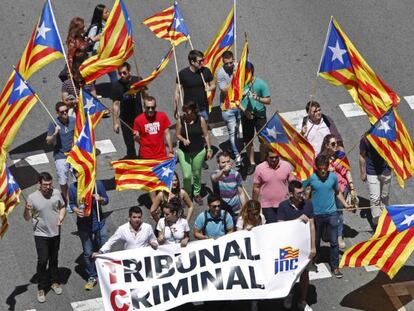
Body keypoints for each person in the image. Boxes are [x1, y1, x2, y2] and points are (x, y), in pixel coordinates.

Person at [302, 154, 351, 278]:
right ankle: (314, 260)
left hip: (332, 214)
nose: (323, 171)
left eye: (325, 168)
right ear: (316, 167)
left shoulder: (333, 177)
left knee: (334, 242)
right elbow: (300, 190)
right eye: (320, 169)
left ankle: (335, 267)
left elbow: (338, 192)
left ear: (328, 167)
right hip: (316, 215)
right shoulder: (311, 178)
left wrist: (345, 204)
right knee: (316, 240)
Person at [23, 172, 66, 303]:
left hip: (55, 232)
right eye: (45, 185)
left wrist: (61, 217)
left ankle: (54, 282)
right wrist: (26, 209)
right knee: (43, 260)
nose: (48, 187)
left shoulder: (56, 193)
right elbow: (26, 218)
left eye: (49, 184)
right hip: (40, 234)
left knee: (54, 258)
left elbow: (62, 206)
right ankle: (41, 287)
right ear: (39, 184)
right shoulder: (32, 198)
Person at [278, 180, 316, 311]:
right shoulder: (283, 206)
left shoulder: (308, 204)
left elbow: (311, 226)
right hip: (289, 247)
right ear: (290, 194)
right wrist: (298, 220)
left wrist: (313, 247)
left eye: (303, 192)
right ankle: (288, 294)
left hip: (304, 247)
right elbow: (280, 227)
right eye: (299, 193)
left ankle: (302, 301)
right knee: (288, 274)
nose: (302, 195)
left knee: (304, 274)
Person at [69, 171, 109, 290]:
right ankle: (92, 275)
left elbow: (106, 200)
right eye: (76, 173)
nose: (78, 175)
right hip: (83, 226)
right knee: (87, 253)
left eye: (80, 173)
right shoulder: (73, 188)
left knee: (104, 248)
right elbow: (71, 204)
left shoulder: (97, 185)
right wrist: (75, 209)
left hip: (99, 223)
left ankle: (106, 272)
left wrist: (100, 199)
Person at [320, 134, 358, 249]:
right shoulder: (321, 158)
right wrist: (327, 171)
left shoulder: (341, 155)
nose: (336, 145)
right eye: (332, 144)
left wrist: (352, 188)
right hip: (327, 191)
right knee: (328, 212)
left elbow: (347, 172)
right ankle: (327, 230)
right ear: (326, 145)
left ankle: (339, 235)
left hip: (342, 188)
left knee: (339, 213)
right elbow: (317, 175)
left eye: (336, 143)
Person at [176, 102, 213, 205]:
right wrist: (183, 139)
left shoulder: (200, 120)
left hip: (199, 151)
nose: (186, 113)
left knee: (196, 173)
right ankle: (187, 194)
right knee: (187, 175)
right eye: (185, 110)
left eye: (188, 110)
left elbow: (206, 135)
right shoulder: (181, 120)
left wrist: (209, 149)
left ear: (193, 111)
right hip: (184, 152)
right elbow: (178, 134)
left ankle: (196, 193)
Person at [240, 63, 271, 175]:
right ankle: (252, 163)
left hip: (259, 115)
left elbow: (268, 100)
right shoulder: (239, 83)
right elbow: (235, 100)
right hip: (246, 115)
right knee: (248, 141)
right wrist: (245, 111)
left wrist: (257, 98)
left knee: (263, 139)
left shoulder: (260, 84)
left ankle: (262, 161)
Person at [111, 62, 147, 159]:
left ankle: (142, 159)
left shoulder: (137, 80)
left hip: (139, 117)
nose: (122, 75)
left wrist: (143, 90)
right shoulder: (117, 86)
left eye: (124, 73)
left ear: (129, 71)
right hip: (125, 119)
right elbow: (115, 104)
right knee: (129, 145)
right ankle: (132, 160)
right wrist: (115, 123)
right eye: (120, 73)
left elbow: (145, 97)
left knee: (143, 141)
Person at [236, 200, 265, 311]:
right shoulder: (241, 220)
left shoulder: (261, 218)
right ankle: (253, 300)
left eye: (257, 213)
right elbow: (237, 237)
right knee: (251, 276)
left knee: (258, 274)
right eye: (253, 214)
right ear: (248, 213)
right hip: (246, 252)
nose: (256, 216)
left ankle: (257, 297)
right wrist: (245, 231)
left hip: (258, 250)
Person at [252, 147, 295, 223]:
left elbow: (293, 184)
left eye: (276, 157)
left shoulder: (286, 165)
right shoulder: (259, 168)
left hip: (284, 204)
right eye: (271, 157)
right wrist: (254, 204)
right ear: (266, 157)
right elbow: (256, 187)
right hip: (267, 206)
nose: (274, 159)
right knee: (273, 229)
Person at [46, 102, 75, 209]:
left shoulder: (73, 120)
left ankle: (77, 199)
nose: (65, 113)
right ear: (57, 113)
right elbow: (48, 141)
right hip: (60, 156)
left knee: (76, 179)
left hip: (73, 154)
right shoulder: (53, 123)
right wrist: (55, 133)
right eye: (62, 112)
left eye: (66, 111)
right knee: (63, 181)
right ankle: (68, 201)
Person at [94, 206, 158, 255]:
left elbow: (153, 240)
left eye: (139, 217)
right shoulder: (122, 229)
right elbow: (110, 242)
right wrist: (100, 252)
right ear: (129, 217)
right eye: (134, 217)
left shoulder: (147, 227)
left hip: (144, 258)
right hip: (129, 259)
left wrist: (154, 243)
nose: (137, 219)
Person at [216, 50, 242, 166]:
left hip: (239, 104)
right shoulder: (220, 73)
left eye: (231, 62)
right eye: (226, 63)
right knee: (232, 132)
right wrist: (235, 79)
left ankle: (233, 146)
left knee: (237, 130)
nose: (229, 65)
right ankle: (237, 156)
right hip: (227, 107)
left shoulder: (238, 67)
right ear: (223, 62)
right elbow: (223, 89)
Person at [174, 49, 215, 121]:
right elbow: (177, 92)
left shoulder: (206, 71)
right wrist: (175, 108)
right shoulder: (183, 74)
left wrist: (209, 88)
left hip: (203, 108)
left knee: (204, 130)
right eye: (200, 61)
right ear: (192, 62)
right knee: (192, 130)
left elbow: (213, 85)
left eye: (203, 60)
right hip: (189, 110)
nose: (202, 63)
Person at [359, 136, 391, 225]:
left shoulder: (387, 136)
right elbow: (362, 155)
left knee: (384, 197)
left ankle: (384, 220)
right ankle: (377, 224)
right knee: (375, 199)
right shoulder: (365, 139)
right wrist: (362, 172)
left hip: (385, 170)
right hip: (372, 171)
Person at [211, 151, 247, 220]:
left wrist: (244, 209)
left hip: (235, 209)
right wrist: (223, 171)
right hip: (221, 210)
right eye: (223, 162)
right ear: (218, 164)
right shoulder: (215, 173)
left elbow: (241, 193)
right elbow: (214, 179)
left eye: (228, 161)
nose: (226, 164)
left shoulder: (236, 174)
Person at [86, 4, 117, 83]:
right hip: (98, 53)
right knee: (112, 74)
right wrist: (98, 37)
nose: (108, 13)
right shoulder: (95, 27)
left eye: (108, 11)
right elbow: (89, 41)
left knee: (94, 75)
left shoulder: (107, 23)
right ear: (100, 15)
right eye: (106, 13)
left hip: (106, 52)